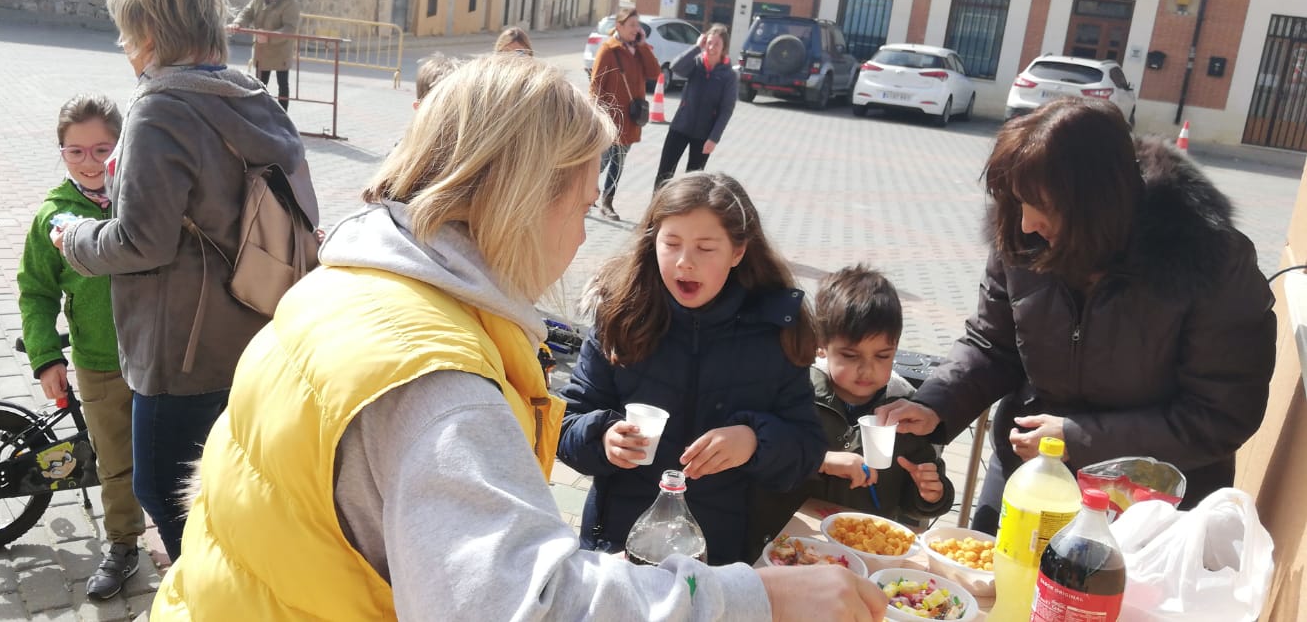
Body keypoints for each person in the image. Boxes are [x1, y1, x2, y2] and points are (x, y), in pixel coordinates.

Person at [152, 57, 885, 620]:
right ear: (525, 202)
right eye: (580, 200)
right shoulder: (435, 381)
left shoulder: (343, 286)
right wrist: (754, 601)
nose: (580, 235)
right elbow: (519, 602)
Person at [878, 98, 1277, 532]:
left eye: (1041, 206)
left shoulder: (1213, 261)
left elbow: (1222, 414)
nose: (1027, 223)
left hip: (1152, 515)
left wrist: (1080, 438)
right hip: (1029, 477)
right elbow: (993, 344)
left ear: (1096, 205)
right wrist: (936, 404)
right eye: (1018, 202)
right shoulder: (1018, 234)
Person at [56, 0, 316, 563]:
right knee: (230, 483)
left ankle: (207, 595)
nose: (124, 48)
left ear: (150, 36)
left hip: (182, 346)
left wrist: (73, 238)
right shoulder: (252, 96)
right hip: (257, 326)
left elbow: (142, 242)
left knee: (163, 488)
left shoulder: (161, 108)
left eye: (126, 34)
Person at [559, 171, 829, 565]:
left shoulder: (775, 331)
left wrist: (755, 442)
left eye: (705, 248)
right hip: (619, 544)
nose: (685, 263)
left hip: (718, 552)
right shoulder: (621, 316)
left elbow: (806, 450)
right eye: (671, 244)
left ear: (738, 252)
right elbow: (565, 423)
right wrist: (602, 438)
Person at [17, 94, 144, 599]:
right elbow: (36, 290)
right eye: (76, 152)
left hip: (163, 357)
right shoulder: (53, 216)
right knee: (114, 461)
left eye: (101, 150)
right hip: (99, 362)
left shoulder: (142, 199)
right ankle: (123, 543)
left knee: (176, 454)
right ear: (62, 152)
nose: (90, 163)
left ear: (121, 149)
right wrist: (46, 356)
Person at [796, 265, 951, 527]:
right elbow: (771, 458)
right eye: (850, 355)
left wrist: (931, 494)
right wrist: (821, 461)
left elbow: (914, 497)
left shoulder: (903, 410)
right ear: (821, 346)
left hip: (867, 540)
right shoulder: (800, 394)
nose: (867, 369)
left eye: (882, 356)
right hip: (798, 536)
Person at [589, 8, 660, 220]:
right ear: (619, 26)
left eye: (637, 25)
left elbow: (654, 72)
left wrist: (643, 46)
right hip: (610, 118)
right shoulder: (609, 50)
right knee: (602, 160)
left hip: (631, 118)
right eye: (631, 25)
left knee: (619, 162)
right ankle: (584, 193)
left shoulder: (638, 50)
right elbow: (595, 84)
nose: (635, 29)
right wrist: (596, 114)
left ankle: (607, 202)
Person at [655, 24, 737, 189]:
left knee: (693, 181)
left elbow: (726, 109)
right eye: (709, 43)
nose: (712, 48)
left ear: (724, 48)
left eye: (717, 44)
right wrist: (696, 47)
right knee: (665, 174)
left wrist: (714, 138)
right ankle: (656, 211)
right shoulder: (696, 64)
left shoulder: (728, 75)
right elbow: (675, 67)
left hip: (704, 135)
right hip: (680, 127)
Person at [233, 0, 300, 112]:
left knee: (283, 84)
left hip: (280, 48)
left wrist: (269, 37)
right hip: (262, 49)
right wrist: (238, 22)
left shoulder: (290, 2)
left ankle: (283, 117)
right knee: (260, 83)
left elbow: (290, 28)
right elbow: (248, 11)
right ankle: (259, 114)